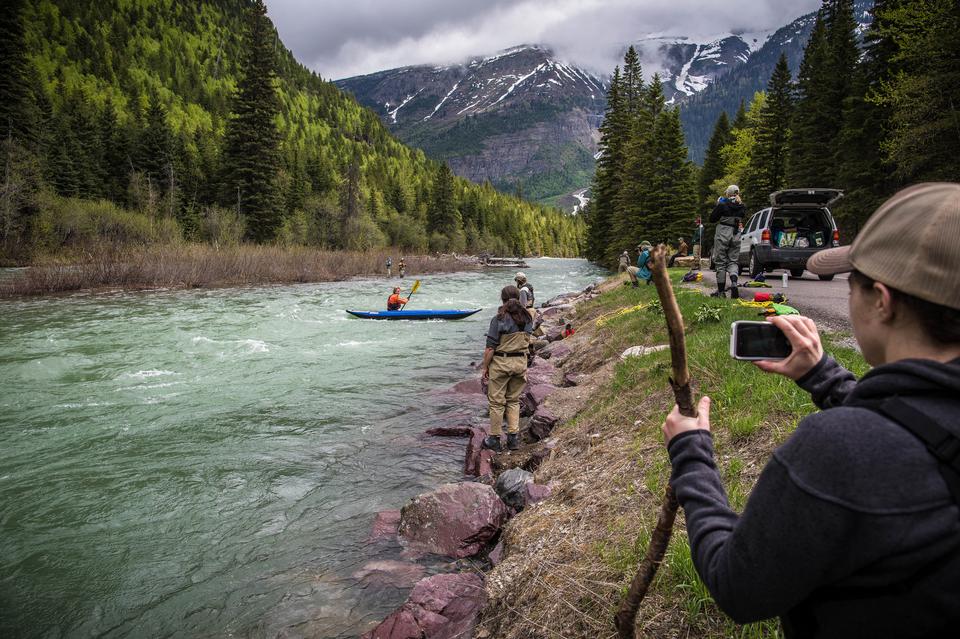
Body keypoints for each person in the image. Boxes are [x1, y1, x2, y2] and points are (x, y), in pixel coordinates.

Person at [661, 183, 960, 637]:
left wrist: (691, 453)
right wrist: (823, 376)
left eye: (852, 282)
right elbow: (924, 428)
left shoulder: (841, 449)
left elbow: (738, 586)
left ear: (881, 300)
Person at [481, 285, 534, 452]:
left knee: (496, 403)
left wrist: (485, 367)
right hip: (520, 363)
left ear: (502, 299)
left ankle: (495, 439)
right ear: (519, 298)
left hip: (501, 364)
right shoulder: (527, 318)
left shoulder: (499, 319)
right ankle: (513, 439)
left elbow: (490, 348)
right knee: (513, 400)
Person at [709, 185, 746, 298]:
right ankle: (734, 283)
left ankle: (721, 292)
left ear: (728, 193)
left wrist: (718, 205)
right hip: (736, 234)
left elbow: (712, 219)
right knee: (733, 261)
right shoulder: (742, 206)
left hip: (723, 233)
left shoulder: (722, 204)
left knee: (720, 262)